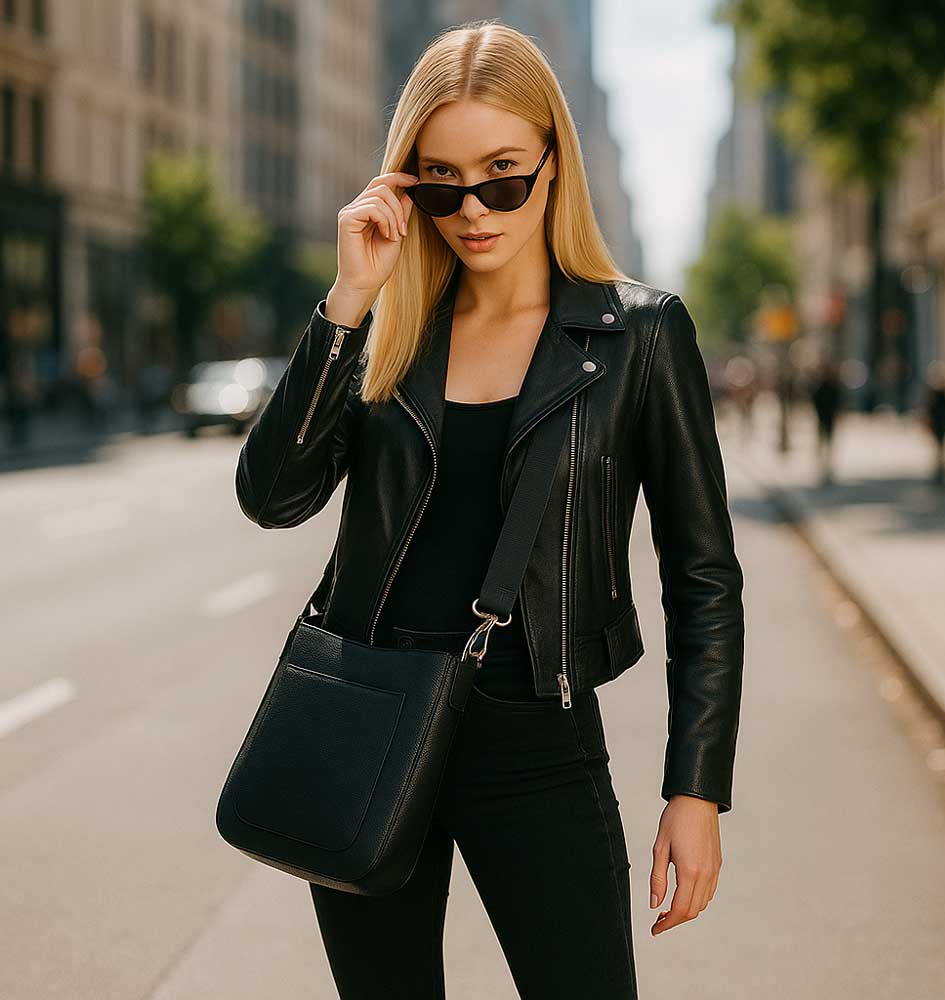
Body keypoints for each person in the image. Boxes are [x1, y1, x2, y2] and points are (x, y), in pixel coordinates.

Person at [234, 20, 745, 999]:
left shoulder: (637, 337)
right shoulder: (390, 331)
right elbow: (273, 496)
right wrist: (345, 301)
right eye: (440, 181)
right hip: (367, 726)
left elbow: (703, 574)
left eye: (503, 174)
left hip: (537, 744)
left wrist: (695, 787)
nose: (472, 209)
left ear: (554, 164)